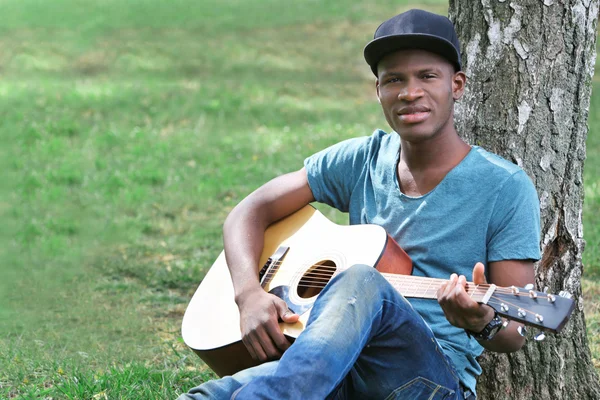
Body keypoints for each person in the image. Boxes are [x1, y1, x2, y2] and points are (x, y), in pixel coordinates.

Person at [179, 9, 541, 400]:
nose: (409, 92)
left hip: (427, 380)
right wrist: (249, 294)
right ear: (378, 90)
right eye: (394, 80)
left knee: (363, 279)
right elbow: (249, 211)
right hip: (330, 362)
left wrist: (481, 321)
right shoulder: (362, 159)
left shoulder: (505, 187)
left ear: (456, 85)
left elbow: (514, 335)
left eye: (427, 76)